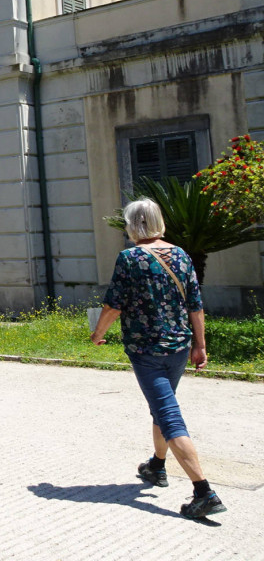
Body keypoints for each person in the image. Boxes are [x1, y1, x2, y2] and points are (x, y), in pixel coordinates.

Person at [91, 198, 225, 520]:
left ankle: (203, 491)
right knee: (161, 407)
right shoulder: (181, 255)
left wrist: (98, 333)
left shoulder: (129, 258)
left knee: (168, 414)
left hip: (146, 350)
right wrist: (200, 345)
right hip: (179, 347)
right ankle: (157, 466)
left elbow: (113, 305)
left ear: (133, 225)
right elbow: (195, 304)